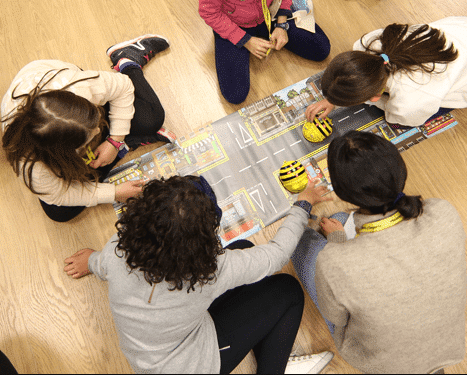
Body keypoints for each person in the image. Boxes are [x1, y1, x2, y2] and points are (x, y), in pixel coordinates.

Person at [63, 175, 334, 374]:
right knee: (287, 290)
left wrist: (91, 261)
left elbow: (102, 264)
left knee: (242, 248)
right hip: (191, 365)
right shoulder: (213, 271)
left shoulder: (116, 249)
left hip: (156, 348)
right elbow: (277, 255)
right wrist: (302, 205)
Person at [291, 131, 467, 373]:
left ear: (342, 193)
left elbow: (338, 317)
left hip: (380, 362)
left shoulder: (334, 263)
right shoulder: (443, 211)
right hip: (446, 347)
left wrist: (337, 242)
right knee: (341, 221)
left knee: (298, 239)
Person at [1, 35, 177, 222]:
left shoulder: (81, 87)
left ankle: (127, 60)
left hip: (72, 92)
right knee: (58, 212)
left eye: (98, 125)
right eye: (91, 136)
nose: (99, 132)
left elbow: (123, 87)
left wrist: (114, 140)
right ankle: (128, 142)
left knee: (152, 117)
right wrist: (114, 193)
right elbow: (59, 195)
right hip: (58, 145)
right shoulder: (32, 166)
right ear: (63, 152)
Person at [305, 16, 467, 127]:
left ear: (374, 97)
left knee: (398, 124)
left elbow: (402, 117)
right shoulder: (367, 43)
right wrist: (333, 97)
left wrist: (347, 97)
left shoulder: (413, 97)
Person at [199, 0, 331, 104]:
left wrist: (281, 25)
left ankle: (292, 8)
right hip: (233, 23)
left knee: (321, 49)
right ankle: (227, 32)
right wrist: (244, 39)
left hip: (270, 13)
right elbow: (209, 12)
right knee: (235, 94)